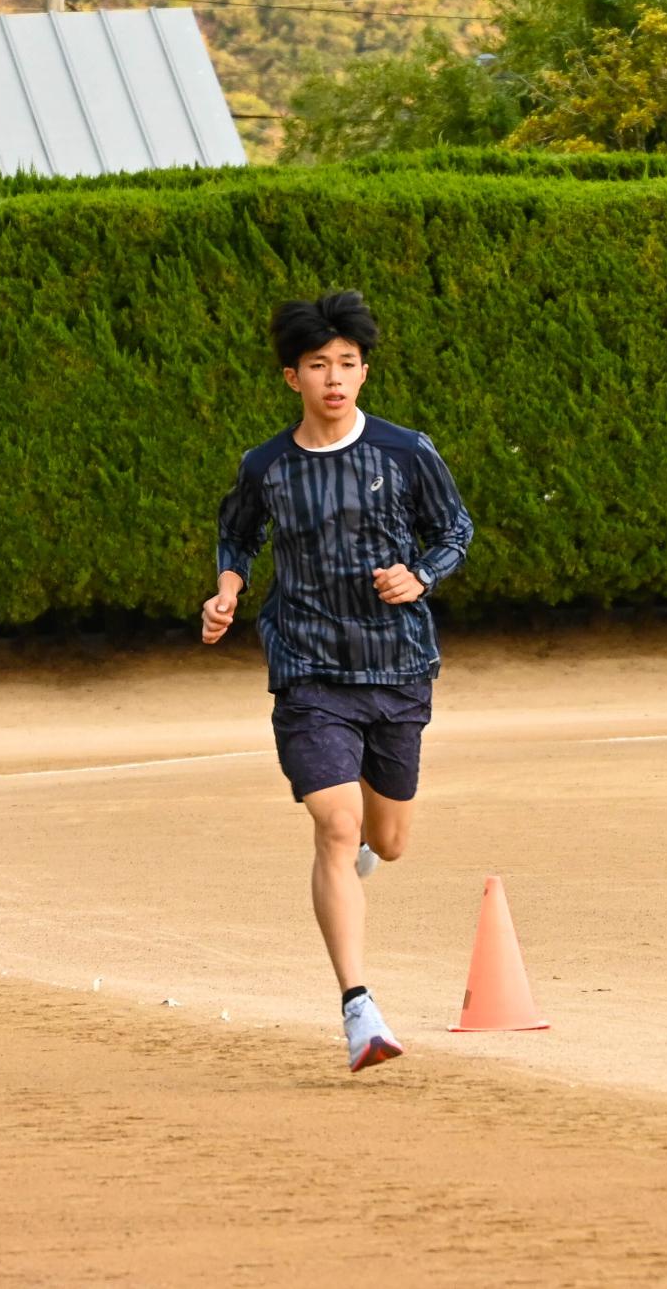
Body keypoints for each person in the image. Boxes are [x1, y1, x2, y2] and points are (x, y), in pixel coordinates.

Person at [203, 291, 473, 1072]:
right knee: (333, 823)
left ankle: (361, 852)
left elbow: (456, 529)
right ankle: (359, 1007)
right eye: (318, 365)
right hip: (309, 666)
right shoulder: (267, 466)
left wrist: (419, 576)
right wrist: (227, 590)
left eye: (347, 365)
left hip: (396, 667)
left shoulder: (405, 451)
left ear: (363, 371)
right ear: (292, 376)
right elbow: (237, 533)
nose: (334, 378)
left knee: (386, 839)